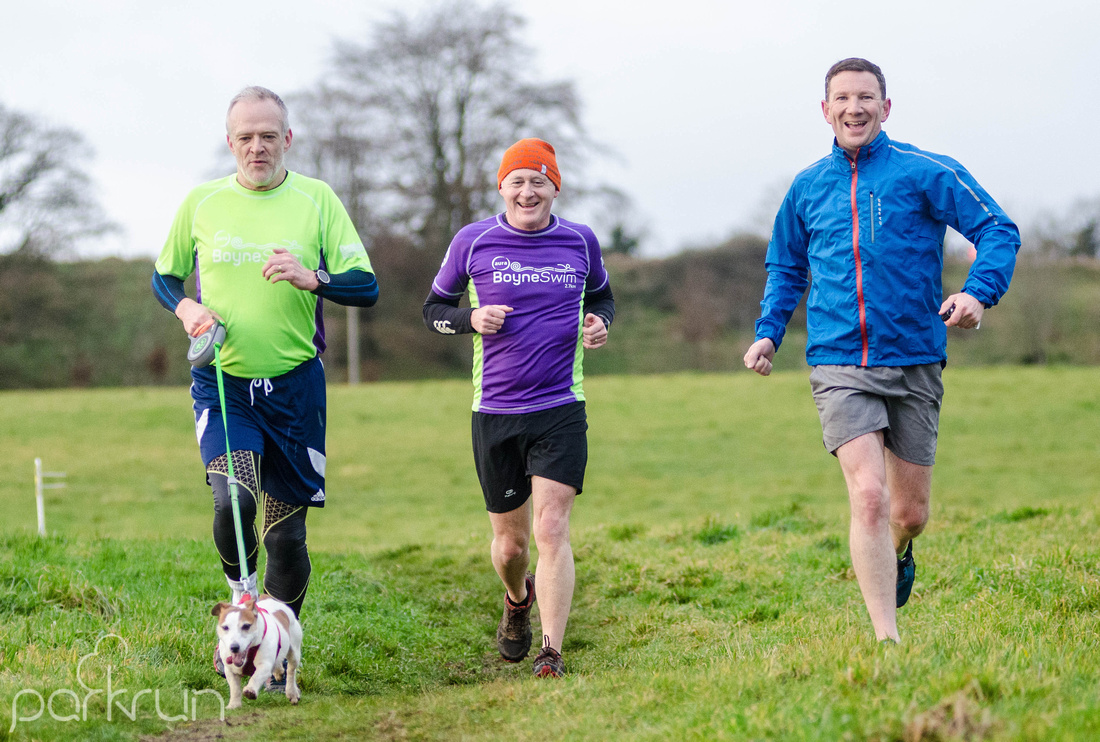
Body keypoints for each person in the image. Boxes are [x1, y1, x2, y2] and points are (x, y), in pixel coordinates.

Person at [743, 58, 1019, 643]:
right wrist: (769, 330)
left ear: (886, 107)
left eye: (866, 97)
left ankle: (899, 550)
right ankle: (885, 641)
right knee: (868, 495)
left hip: (916, 357)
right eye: (841, 98)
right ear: (825, 111)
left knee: (908, 514)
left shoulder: (925, 172)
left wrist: (977, 294)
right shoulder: (807, 187)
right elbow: (786, 266)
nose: (854, 108)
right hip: (838, 361)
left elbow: (998, 228)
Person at [151, 86, 379, 674]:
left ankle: (276, 653)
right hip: (224, 384)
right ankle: (242, 594)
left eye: (268, 136)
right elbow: (165, 277)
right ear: (230, 142)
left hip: (296, 389)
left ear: (287, 139)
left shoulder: (317, 199)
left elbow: (366, 285)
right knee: (232, 502)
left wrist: (314, 277)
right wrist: (186, 310)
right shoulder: (202, 203)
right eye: (245, 137)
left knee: (285, 536)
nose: (257, 147)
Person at [423, 138, 615, 677]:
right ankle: (516, 599)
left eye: (539, 180)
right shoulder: (473, 240)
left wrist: (600, 323)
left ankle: (551, 652)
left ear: (556, 186)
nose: (528, 191)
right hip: (495, 411)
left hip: (560, 406)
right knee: (510, 547)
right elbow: (432, 308)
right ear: (501, 187)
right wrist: (469, 320)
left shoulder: (580, 241)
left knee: (551, 529)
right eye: (518, 181)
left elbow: (602, 297)